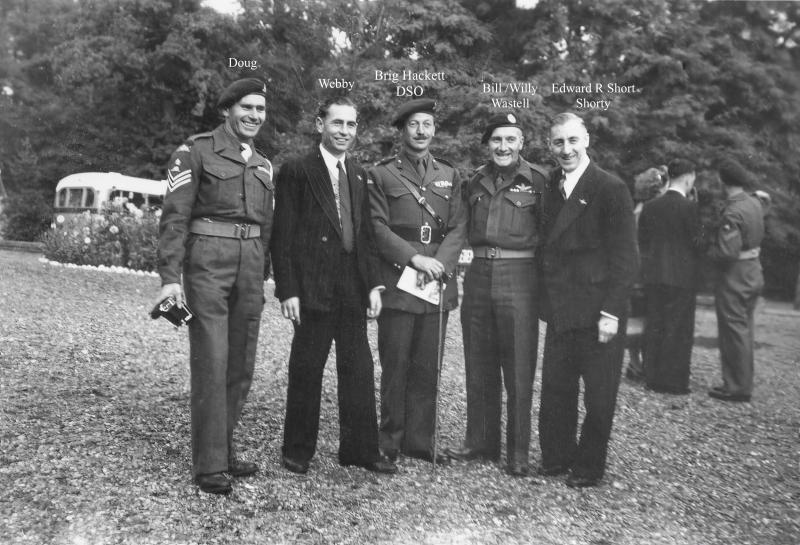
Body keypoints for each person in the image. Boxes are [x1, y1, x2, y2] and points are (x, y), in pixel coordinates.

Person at [156, 78, 274, 495]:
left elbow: (268, 227)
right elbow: (174, 217)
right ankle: (208, 465)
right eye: (247, 107)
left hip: (251, 264)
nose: (254, 116)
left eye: (260, 109)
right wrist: (171, 279)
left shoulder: (262, 163)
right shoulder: (195, 151)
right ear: (227, 109)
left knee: (241, 363)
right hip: (208, 260)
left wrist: (262, 272)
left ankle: (223, 450)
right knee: (212, 359)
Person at [270, 96, 397, 475]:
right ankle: (297, 450)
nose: (344, 131)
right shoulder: (297, 170)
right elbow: (283, 236)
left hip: (353, 287)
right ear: (319, 124)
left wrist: (374, 285)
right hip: (312, 286)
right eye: (337, 123)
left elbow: (366, 237)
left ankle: (359, 449)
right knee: (307, 368)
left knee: (359, 368)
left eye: (351, 125)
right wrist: (288, 289)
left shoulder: (358, 174)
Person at [444, 112, 548, 477]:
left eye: (510, 140)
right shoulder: (474, 181)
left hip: (520, 277)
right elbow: (460, 228)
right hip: (478, 275)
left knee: (518, 366)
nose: (503, 147)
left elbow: (550, 237)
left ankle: (518, 452)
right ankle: (480, 442)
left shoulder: (540, 181)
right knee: (478, 362)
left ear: (521, 143)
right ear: (487, 144)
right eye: (496, 140)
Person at [538, 112, 637, 488]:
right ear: (550, 146)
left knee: (599, 396)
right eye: (558, 143)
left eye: (572, 141)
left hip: (599, 310)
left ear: (587, 141)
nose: (566, 150)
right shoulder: (550, 186)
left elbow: (626, 258)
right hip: (563, 308)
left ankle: (589, 465)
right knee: (557, 388)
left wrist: (612, 311)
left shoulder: (610, 188)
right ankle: (557, 456)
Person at [367, 99, 467, 465]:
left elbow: (458, 226)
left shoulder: (449, 175)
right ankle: (389, 441)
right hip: (398, 283)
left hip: (436, 283)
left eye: (427, 124)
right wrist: (414, 257)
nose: (421, 131)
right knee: (395, 366)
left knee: (428, 366)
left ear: (434, 130)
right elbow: (376, 227)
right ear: (402, 130)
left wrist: (439, 263)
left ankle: (420, 443)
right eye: (413, 124)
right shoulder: (381, 174)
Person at [639, 159, 704, 395]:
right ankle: (674, 381)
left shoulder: (650, 206)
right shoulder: (691, 208)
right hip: (682, 276)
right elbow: (699, 244)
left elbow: (642, 241)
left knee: (655, 324)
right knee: (679, 329)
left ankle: (652, 377)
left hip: (654, 274)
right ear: (688, 177)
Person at [707, 158, 765, 403]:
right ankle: (741, 382)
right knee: (744, 329)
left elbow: (727, 252)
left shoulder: (733, 210)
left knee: (733, 331)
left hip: (736, 275)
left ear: (723, 182)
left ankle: (737, 387)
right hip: (753, 270)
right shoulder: (754, 202)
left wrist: (707, 251)